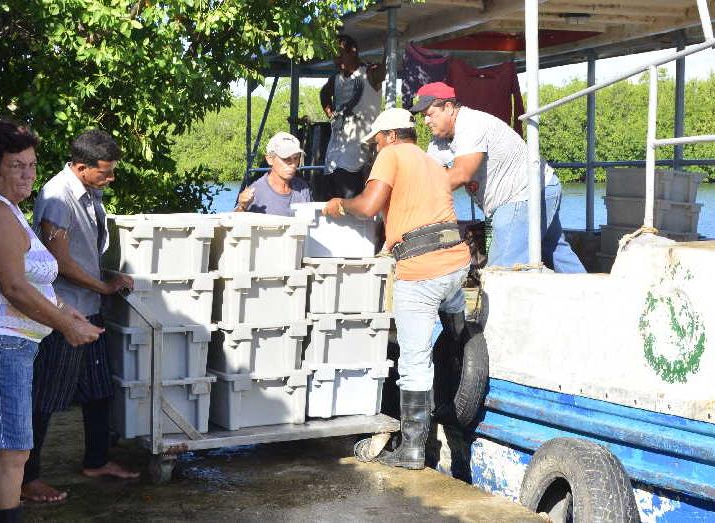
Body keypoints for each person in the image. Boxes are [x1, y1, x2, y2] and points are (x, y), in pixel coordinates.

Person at [0, 121, 103, 523]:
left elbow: (30, 281)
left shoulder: (5, 208)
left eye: (32, 165)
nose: (28, 174)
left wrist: (66, 310)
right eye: (16, 165)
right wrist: (67, 327)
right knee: (13, 452)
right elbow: (14, 288)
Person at [323, 108, 471, 470]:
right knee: (451, 328)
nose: (374, 147)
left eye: (376, 140)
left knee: (413, 361)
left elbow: (370, 206)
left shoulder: (391, 155)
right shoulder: (433, 162)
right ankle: (458, 365)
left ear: (389, 135)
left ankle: (413, 449)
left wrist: (340, 206)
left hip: (421, 270)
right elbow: (411, 211)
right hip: (456, 262)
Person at [21, 130, 138, 503]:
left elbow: (86, 253)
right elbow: (60, 262)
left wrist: (103, 283)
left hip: (90, 308)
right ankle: (27, 477)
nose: (111, 178)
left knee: (99, 391)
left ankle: (97, 460)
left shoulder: (90, 191)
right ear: (81, 166)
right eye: (105, 172)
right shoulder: (58, 197)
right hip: (64, 313)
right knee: (46, 398)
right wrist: (104, 286)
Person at [410, 81, 585, 272]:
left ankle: (500, 302)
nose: (425, 121)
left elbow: (461, 174)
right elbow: (425, 175)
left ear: (449, 108)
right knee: (555, 252)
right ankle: (592, 296)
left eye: (429, 114)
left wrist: (418, 196)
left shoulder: (471, 124)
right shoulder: (438, 141)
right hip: (530, 192)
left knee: (501, 270)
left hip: (521, 195)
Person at [315, 34, 384, 201]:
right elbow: (324, 93)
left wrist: (388, 44)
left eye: (339, 55)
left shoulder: (369, 73)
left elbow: (386, 67)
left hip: (356, 159)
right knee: (329, 206)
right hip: (333, 157)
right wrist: (331, 114)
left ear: (353, 52)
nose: (336, 60)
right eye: (333, 56)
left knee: (350, 207)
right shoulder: (336, 78)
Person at [235, 131, 312, 216]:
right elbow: (232, 225)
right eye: (285, 158)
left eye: (296, 158)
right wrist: (242, 207)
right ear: (270, 159)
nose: (292, 164)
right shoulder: (255, 193)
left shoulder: (303, 188)